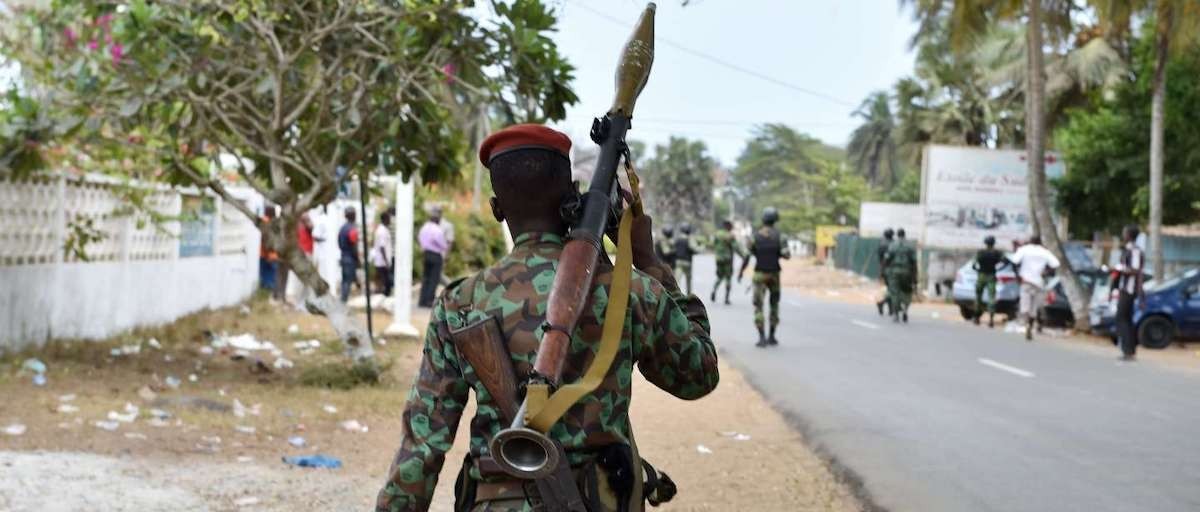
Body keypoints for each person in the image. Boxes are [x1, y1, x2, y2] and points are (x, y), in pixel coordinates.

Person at [376, 124, 718, 512]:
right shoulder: (631, 291)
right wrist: (649, 261)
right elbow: (698, 376)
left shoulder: (460, 304)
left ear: (496, 209)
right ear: (572, 195)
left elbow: (423, 445)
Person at [738, 206, 790, 347]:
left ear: (763, 220)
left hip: (759, 274)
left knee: (758, 306)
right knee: (774, 304)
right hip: (774, 274)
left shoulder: (755, 236)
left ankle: (761, 338)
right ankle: (772, 337)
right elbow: (787, 255)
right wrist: (778, 252)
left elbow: (747, 256)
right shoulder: (780, 236)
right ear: (775, 220)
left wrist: (741, 272)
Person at [1007, 235, 1060, 341]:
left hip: (1026, 281)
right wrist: (1046, 273)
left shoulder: (1024, 249)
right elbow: (1055, 264)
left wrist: (1017, 276)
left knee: (1025, 305)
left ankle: (1026, 323)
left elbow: (1014, 262)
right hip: (1039, 282)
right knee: (1034, 307)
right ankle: (1030, 326)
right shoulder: (1045, 252)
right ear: (1039, 242)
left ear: (1030, 242)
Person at [1114, 224, 1145, 361]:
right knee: (1125, 319)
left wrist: (1120, 269)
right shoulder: (1127, 249)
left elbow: (1135, 269)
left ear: (1129, 235)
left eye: (1124, 232)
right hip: (1124, 288)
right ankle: (1128, 349)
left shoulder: (1135, 251)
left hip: (1129, 289)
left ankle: (1128, 350)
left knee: (1122, 318)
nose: (1123, 234)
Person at [972, 235, 1009, 327]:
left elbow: (973, 265)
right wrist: (999, 269)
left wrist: (978, 270)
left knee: (978, 297)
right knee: (991, 297)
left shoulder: (980, 252)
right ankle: (991, 319)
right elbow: (1006, 261)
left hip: (981, 275)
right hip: (991, 275)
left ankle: (977, 318)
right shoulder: (997, 253)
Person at [883, 228, 918, 323]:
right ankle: (905, 309)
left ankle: (896, 314)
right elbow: (914, 263)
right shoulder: (910, 246)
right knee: (907, 292)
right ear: (904, 235)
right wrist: (915, 277)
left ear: (897, 235)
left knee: (895, 293)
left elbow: (887, 259)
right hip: (907, 273)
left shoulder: (893, 245)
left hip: (894, 272)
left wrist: (884, 272)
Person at [417, 205, 449, 308]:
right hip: (435, 255)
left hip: (426, 254)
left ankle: (422, 300)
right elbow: (442, 244)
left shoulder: (424, 228)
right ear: (437, 219)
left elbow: (420, 238)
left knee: (426, 278)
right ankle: (429, 301)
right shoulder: (437, 230)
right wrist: (444, 247)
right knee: (433, 279)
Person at [710, 220, 745, 304]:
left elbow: (712, 245)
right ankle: (726, 298)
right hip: (727, 260)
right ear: (728, 227)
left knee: (719, 277)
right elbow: (736, 247)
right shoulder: (730, 236)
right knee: (728, 278)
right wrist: (743, 256)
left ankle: (714, 290)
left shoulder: (717, 234)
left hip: (718, 259)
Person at [337, 206, 360, 302]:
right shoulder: (352, 229)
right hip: (350, 258)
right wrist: (357, 259)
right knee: (347, 281)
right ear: (353, 216)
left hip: (343, 256)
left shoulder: (342, 228)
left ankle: (343, 300)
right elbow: (354, 246)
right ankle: (343, 301)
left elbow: (339, 242)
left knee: (344, 280)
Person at [672, 223, 701, 295]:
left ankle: (676, 295)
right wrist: (701, 247)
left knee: (677, 280)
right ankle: (689, 295)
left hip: (678, 262)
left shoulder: (677, 239)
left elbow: (673, 249)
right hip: (687, 262)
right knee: (688, 281)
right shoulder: (689, 239)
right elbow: (695, 249)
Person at [372, 211, 394, 297]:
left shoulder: (383, 229)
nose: (390, 221)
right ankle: (385, 296)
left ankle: (384, 295)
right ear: (385, 219)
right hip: (382, 261)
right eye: (389, 219)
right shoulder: (382, 231)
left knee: (384, 280)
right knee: (386, 281)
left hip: (382, 260)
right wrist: (386, 261)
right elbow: (382, 247)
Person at [258, 205, 279, 293]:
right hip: (272, 255)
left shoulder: (265, 221)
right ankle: (269, 294)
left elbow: (265, 238)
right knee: (271, 277)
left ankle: (265, 294)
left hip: (264, 254)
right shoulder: (273, 222)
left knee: (265, 276)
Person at [875, 228, 894, 316]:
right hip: (893, 270)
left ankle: (890, 308)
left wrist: (881, 271)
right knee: (892, 290)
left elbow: (880, 259)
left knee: (890, 289)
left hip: (885, 269)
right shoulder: (894, 244)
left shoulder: (882, 244)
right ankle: (882, 303)